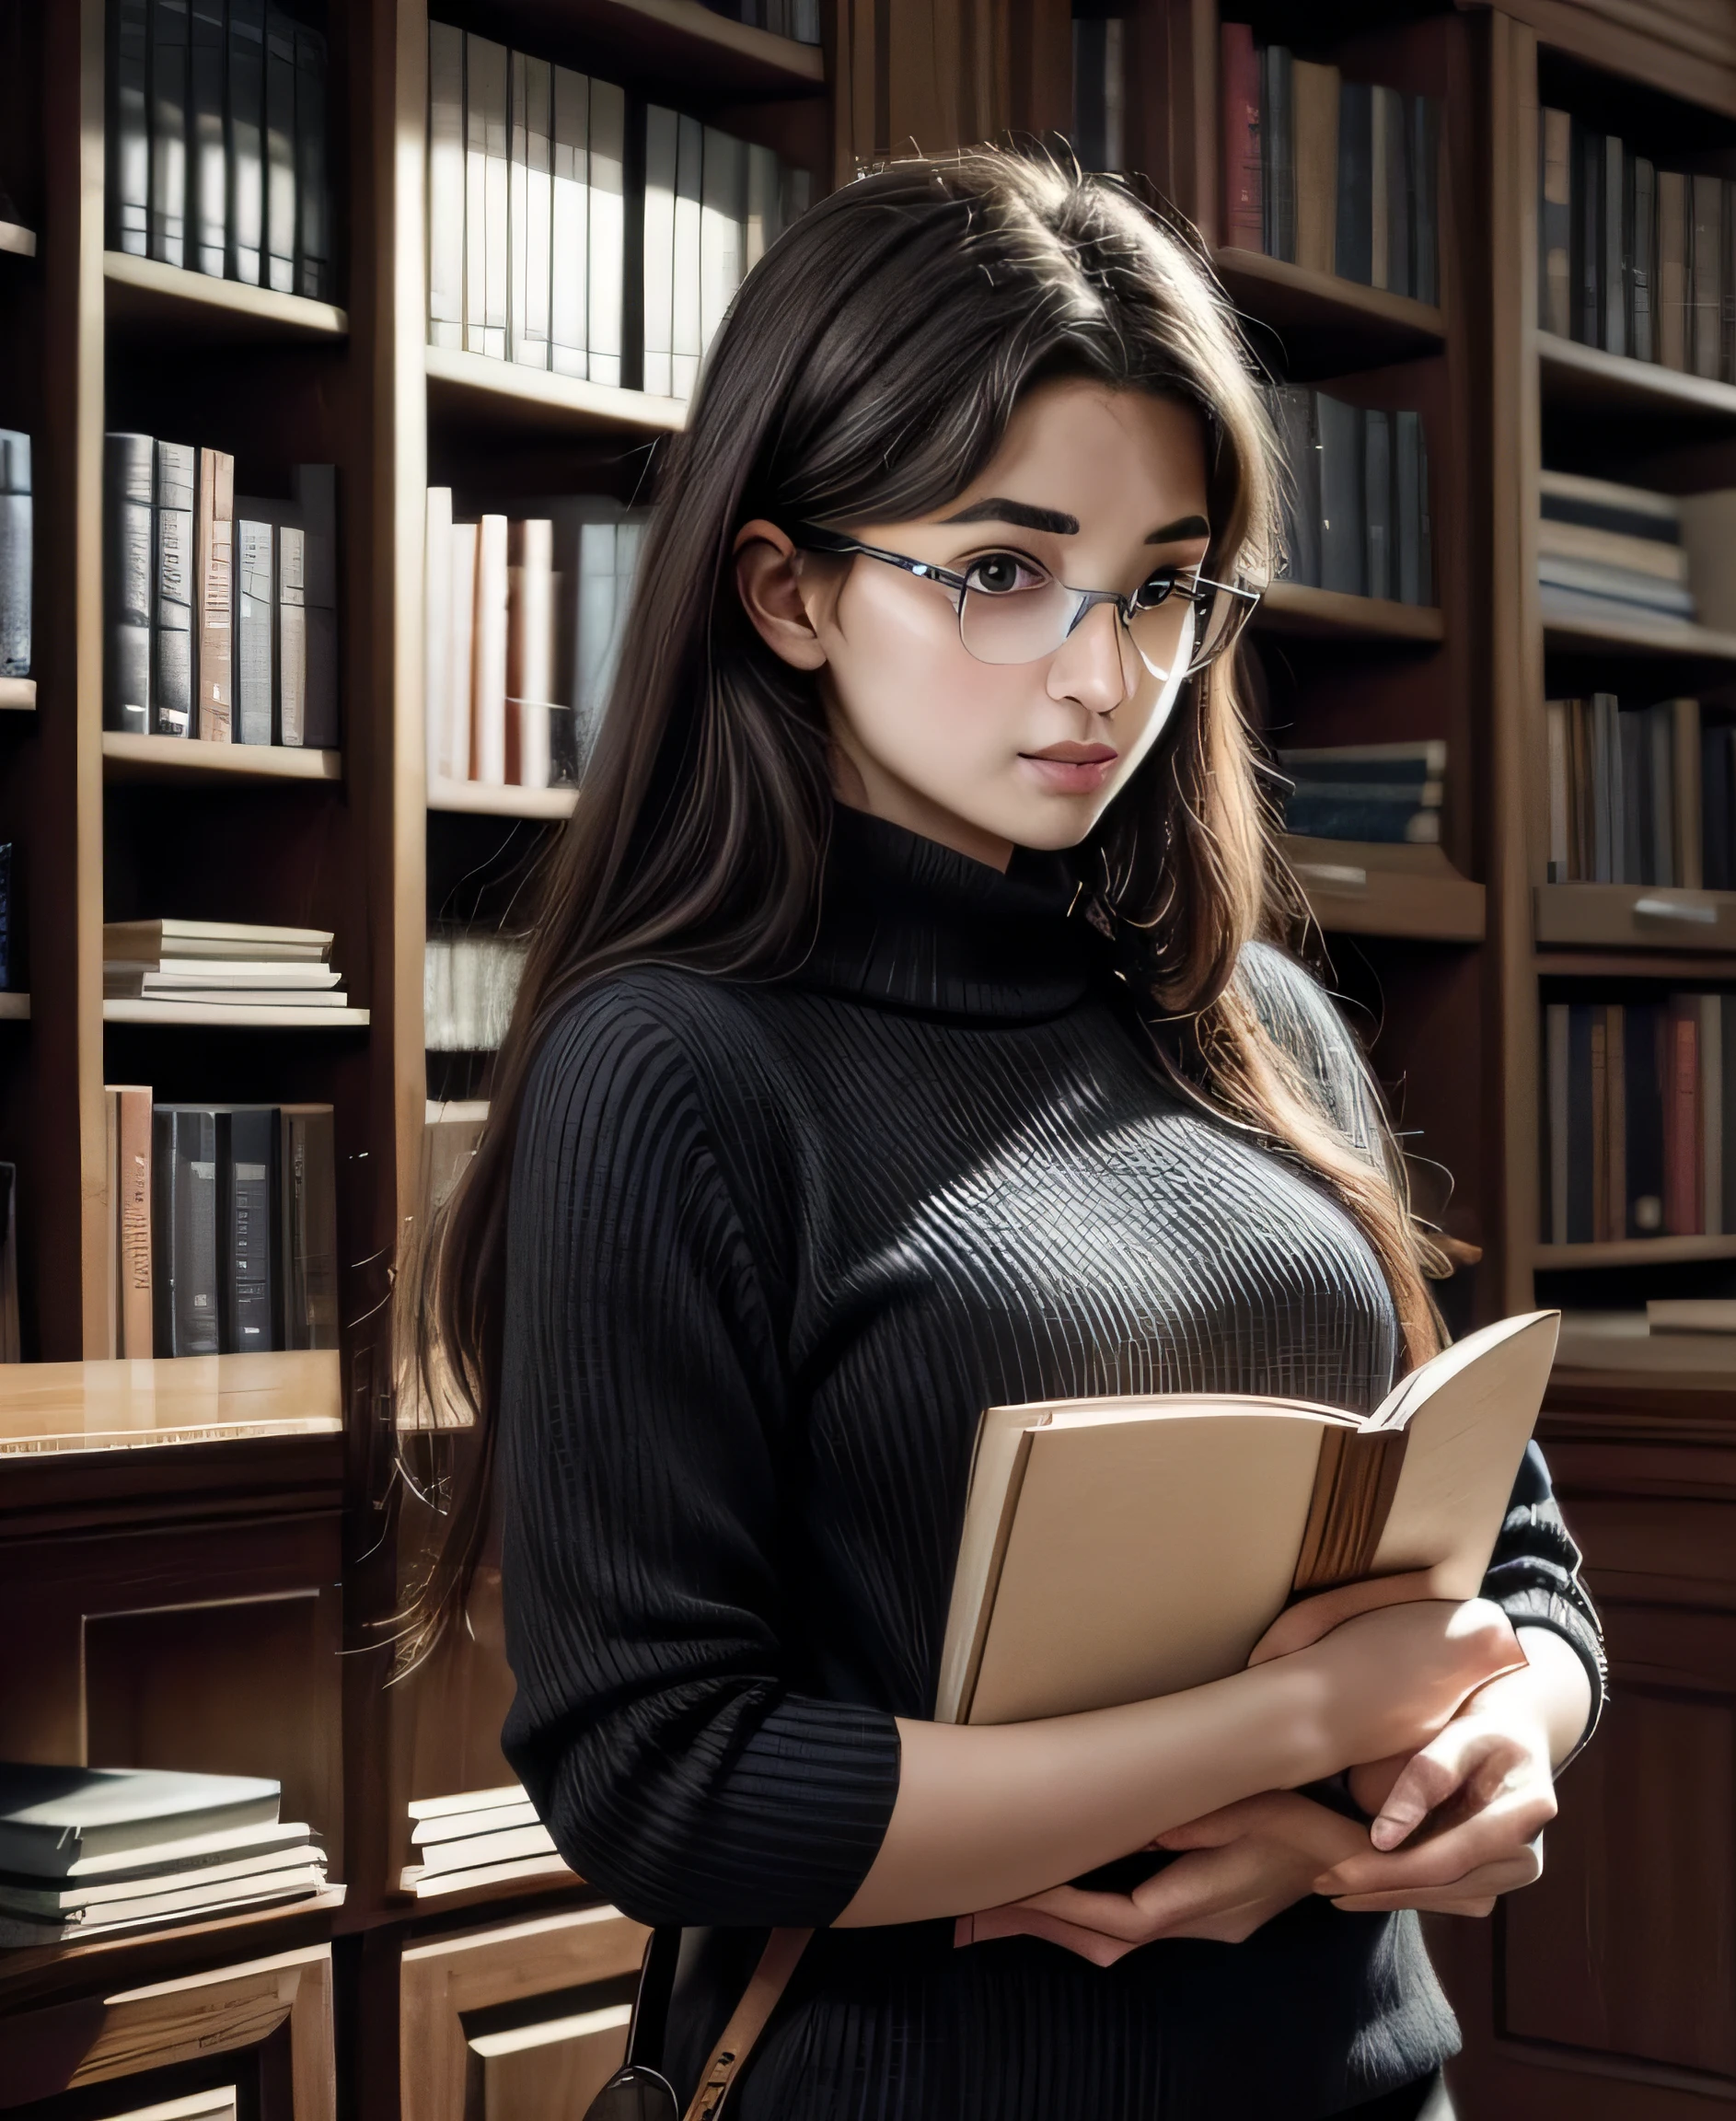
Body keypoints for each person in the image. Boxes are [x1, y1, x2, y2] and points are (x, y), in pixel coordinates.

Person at [398, 149, 1597, 2121]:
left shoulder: (1260, 1024)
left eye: (1163, 585)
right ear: (785, 590)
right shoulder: (673, 1069)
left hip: (1362, 2080)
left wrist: (1485, 1756)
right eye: (1000, 573)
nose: (1102, 673)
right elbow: (661, 1781)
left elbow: (1512, 1556)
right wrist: (1277, 1730)